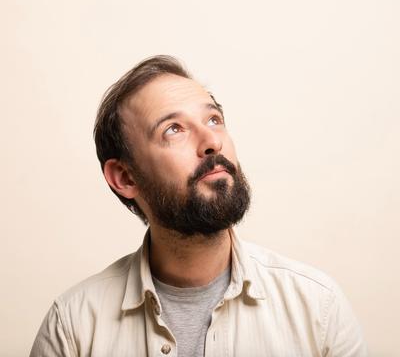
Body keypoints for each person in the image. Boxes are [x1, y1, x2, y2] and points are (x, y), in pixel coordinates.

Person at [30, 55, 367, 357]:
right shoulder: (72, 328)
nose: (211, 142)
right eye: (173, 129)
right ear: (125, 177)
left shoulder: (319, 310)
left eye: (214, 120)